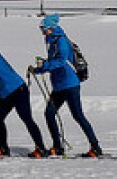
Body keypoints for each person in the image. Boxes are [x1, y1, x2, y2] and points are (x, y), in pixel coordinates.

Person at [29, 13, 103, 158]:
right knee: (49, 113)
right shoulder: (52, 41)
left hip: (69, 84)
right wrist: (38, 69)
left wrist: (45, 65)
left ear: (51, 28)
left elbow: (61, 61)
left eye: (44, 28)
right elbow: (54, 62)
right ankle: (57, 147)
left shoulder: (61, 41)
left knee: (78, 115)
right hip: (59, 86)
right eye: (41, 29)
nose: (42, 32)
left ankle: (95, 147)